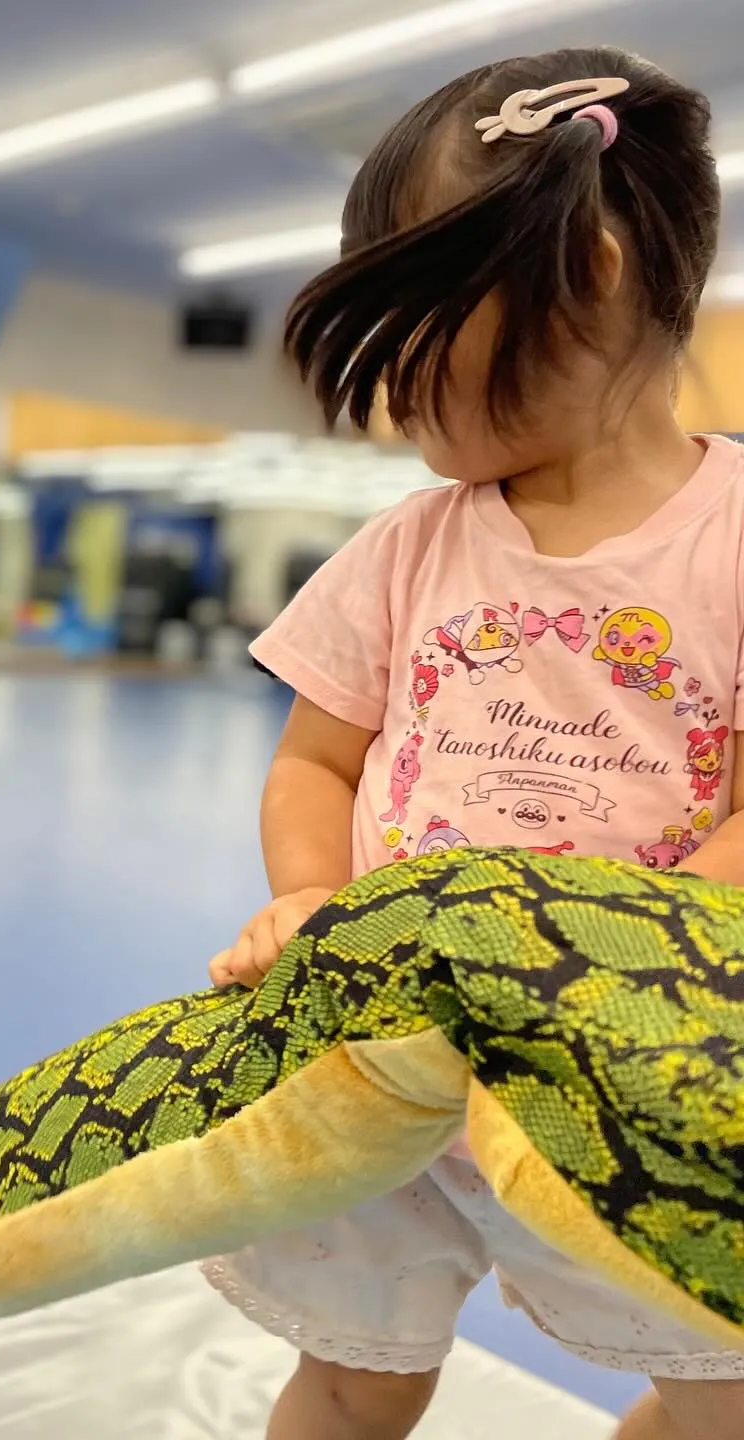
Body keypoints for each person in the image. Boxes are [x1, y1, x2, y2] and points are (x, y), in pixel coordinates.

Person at [204, 46, 744, 1440]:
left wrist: (626, 938)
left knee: (718, 1387)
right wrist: (307, 899)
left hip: (618, 1076)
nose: (396, 404)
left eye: (420, 353)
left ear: (598, 276)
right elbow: (316, 762)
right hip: (385, 1062)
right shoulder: (411, 549)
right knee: (355, 1376)